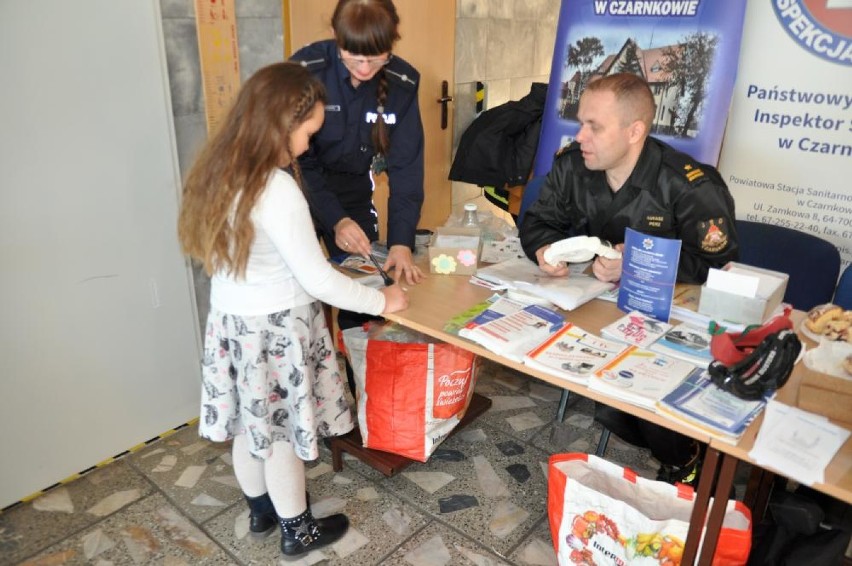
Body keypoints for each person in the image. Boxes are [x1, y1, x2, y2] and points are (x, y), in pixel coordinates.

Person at [177, 62, 408, 559]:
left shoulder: (219, 170)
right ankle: (297, 530)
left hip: (235, 324)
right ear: (282, 125)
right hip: (276, 328)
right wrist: (382, 299)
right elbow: (317, 278)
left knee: (249, 425)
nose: (309, 144)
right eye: (308, 132)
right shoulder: (275, 188)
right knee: (281, 433)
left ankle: (261, 508)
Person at [519, 73, 739, 485]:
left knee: (640, 401)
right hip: (594, 312)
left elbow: (720, 264)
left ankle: (683, 463)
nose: (580, 135)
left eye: (594, 126)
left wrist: (638, 262)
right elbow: (538, 221)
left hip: (668, 324)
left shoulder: (688, 184)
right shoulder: (573, 166)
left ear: (635, 130)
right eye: (580, 122)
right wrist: (545, 250)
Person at [290, 0, 425, 381]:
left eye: (376, 60)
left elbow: (407, 167)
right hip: (297, 185)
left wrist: (401, 241)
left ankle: (361, 389)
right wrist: (336, 219)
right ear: (337, 37)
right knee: (301, 292)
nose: (365, 70)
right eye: (354, 59)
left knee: (364, 285)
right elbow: (301, 159)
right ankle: (309, 389)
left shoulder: (402, 83)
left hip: (351, 187)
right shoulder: (306, 70)